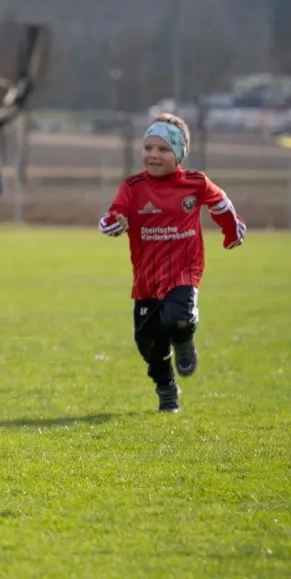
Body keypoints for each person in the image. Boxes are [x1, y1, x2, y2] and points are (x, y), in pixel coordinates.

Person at [99, 114, 245, 414]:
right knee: (148, 344)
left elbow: (222, 205)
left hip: (184, 269)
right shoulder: (133, 187)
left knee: (177, 317)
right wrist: (115, 223)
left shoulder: (196, 183)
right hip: (146, 278)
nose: (153, 155)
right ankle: (166, 389)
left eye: (163, 149)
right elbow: (109, 219)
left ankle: (184, 339)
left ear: (178, 154)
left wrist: (233, 233)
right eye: (148, 148)